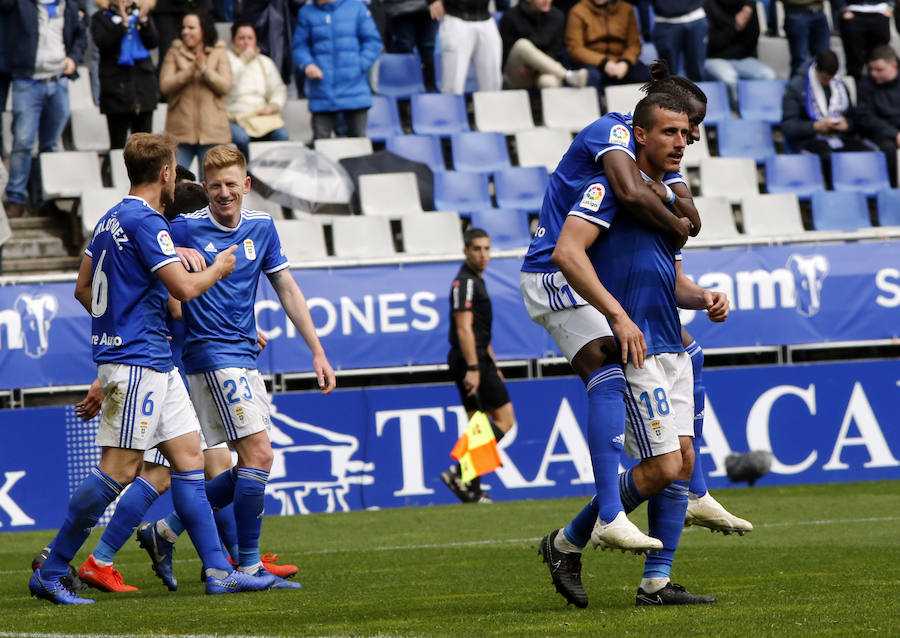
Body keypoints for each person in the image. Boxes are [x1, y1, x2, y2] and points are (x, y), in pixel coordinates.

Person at [29, 133, 276, 605]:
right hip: (137, 360)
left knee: (189, 460)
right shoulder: (147, 222)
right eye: (175, 170)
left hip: (154, 362)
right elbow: (184, 290)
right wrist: (220, 268)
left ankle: (219, 571)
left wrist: (119, 318)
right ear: (166, 173)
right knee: (119, 470)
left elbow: (83, 288)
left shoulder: (108, 219)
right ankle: (55, 568)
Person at [530, 93, 725, 608]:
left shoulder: (659, 198)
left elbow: (674, 272)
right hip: (616, 325)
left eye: (687, 132)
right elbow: (568, 250)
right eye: (674, 131)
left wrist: (703, 296)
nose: (686, 140)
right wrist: (619, 316)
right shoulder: (613, 182)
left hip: (661, 333)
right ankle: (592, 525)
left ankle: (656, 580)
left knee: (681, 453)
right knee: (657, 455)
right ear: (641, 132)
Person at [441, 228, 516, 504]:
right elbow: (464, 329)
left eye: (486, 248)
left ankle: (471, 489)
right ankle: (459, 472)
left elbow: (479, 330)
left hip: (476, 358)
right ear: (466, 251)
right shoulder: (465, 283)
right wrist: (474, 368)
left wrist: (492, 363)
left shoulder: (474, 281)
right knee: (504, 419)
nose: (483, 254)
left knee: (479, 424)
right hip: (470, 360)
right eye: (477, 249)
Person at [1, 0, 87, 218]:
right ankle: (16, 198)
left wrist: (74, 58)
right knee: (23, 142)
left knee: (51, 145)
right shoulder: (19, 4)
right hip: (26, 81)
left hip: (58, 82)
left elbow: (80, 35)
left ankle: (45, 197)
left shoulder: (68, 5)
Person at [292, 0, 382, 139]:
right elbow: (299, 46)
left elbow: (373, 42)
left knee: (358, 144)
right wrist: (308, 64)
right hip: (322, 91)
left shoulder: (357, 7)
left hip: (354, 91)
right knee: (321, 144)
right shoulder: (306, 12)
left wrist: (359, 65)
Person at [159, 11, 232, 180]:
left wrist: (205, 71)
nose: (185, 32)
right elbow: (165, 85)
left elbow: (226, 86)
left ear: (203, 29)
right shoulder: (174, 51)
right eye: (183, 27)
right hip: (180, 133)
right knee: (174, 182)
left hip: (212, 132)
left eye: (191, 28)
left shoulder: (219, 51)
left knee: (211, 184)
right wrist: (189, 71)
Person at [782, 49, 868, 184]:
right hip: (808, 140)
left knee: (865, 152)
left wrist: (847, 125)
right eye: (824, 78)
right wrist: (815, 126)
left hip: (838, 137)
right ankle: (834, 191)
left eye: (831, 78)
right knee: (828, 156)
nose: (828, 82)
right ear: (816, 69)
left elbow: (854, 119)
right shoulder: (796, 87)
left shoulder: (840, 86)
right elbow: (788, 128)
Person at [90, 0, 159, 149]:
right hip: (115, 92)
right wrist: (123, 23)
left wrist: (143, 20)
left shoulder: (140, 15)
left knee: (145, 147)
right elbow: (104, 44)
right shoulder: (101, 18)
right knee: (118, 145)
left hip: (143, 91)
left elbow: (153, 42)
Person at [226, 22, 289, 160]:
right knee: (241, 139)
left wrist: (273, 106)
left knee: (282, 135)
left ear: (255, 40)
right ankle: (245, 170)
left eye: (250, 38)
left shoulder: (265, 61)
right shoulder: (226, 59)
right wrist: (243, 60)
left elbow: (278, 89)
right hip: (236, 117)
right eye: (241, 38)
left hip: (262, 116)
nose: (246, 42)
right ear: (233, 41)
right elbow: (226, 83)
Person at [499, 0, 588, 90]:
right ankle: (568, 75)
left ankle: (569, 77)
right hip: (519, 71)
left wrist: (536, 68)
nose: (548, 1)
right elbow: (508, 53)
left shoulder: (556, 16)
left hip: (545, 69)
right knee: (522, 45)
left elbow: (556, 51)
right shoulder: (510, 17)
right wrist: (530, 64)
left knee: (549, 82)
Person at [703, 0, 776, 107]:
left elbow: (752, 40)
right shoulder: (708, 5)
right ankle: (739, 110)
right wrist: (735, 27)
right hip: (714, 58)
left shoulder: (747, 7)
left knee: (768, 75)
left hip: (743, 58)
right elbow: (711, 44)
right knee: (729, 77)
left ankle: (757, 109)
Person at [565, 0, 650, 90]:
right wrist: (604, 62)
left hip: (621, 62)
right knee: (590, 77)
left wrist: (625, 62)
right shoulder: (578, 11)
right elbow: (575, 49)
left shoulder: (626, 9)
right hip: (591, 63)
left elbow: (634, 45)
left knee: (651, 74)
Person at [427, 0, 502, 94]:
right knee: (453, 86)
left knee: (493, 85)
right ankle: (452, 104)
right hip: (456, 17)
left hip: (486, 17)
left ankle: (491, 104)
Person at [853, 45, 900, 187]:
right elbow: (865, 118)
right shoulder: (866, 85)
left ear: (894, 66)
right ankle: (892, 190)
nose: (874, 74)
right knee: (888, 149)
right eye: (871, 69)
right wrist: (894, 134)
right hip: (878, 134)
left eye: (879, 70)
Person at [383, 0, 438, 91]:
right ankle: (404, 89)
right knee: (404, 46)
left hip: (429, 6)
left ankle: (430, 89)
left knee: (428, 48)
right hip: (399, 7)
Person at [647, 0, 709, 82]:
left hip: (696, 17)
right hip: (664, 20)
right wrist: (646, 30)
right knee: (668, 75)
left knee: (697, 72)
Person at [833, 0, 891, 81]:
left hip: (880, 11)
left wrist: (891, 6)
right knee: (854, 58)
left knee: (879, 56)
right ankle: (856, 85)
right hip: (853, 11)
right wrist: (842, 9)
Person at [782, 0, 830, 77]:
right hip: (796, 12)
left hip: (819, 11)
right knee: (800, 61)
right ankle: (798, 84)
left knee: (824, 60)